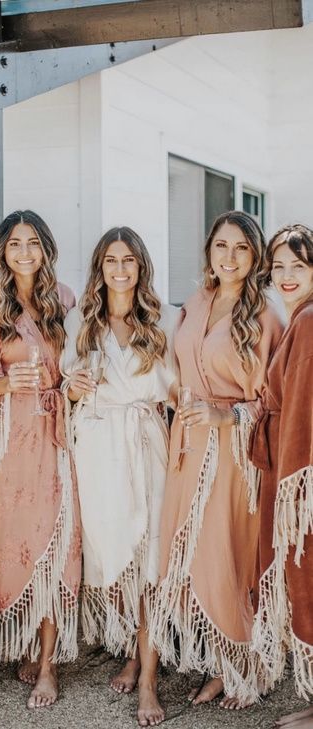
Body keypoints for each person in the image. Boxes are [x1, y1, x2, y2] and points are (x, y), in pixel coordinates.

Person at [150, 211, 283, 709]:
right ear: (209, 250)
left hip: (234, 453)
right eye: (221, 246)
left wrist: (228, 415)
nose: (229, 257)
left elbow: (276, 397)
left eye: (241, 249)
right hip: (186, 447)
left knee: (228, 552)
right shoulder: (196, 303)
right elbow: (176, 368)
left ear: (256, 257)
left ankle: (245, 664)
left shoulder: (268, 315)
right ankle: (218, 661)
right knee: (189, 557)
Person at [61, 226, 179, 727]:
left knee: (149, 555)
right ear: (100, 267)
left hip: (146, 440)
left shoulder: (163, 319)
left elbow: (178, 389)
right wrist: (72, 386)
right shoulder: (80, 321)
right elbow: (67, 383)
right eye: (111, 260)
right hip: (97, 448)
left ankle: (148, 679)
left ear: (140, 266)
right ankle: (135, 652)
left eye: (129, 260)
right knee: (118, 558)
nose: (120, 269)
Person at [0, 210, 81, 709]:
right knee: (14, 546)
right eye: (16, 244)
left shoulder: (66, 300)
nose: (25, 252)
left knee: (58, 545)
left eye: (34, 242)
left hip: (58, 436)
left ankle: (50, 664)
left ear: (46, 248)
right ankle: (24, 639)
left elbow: (84, 357)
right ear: (2, 252)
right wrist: (5, 382)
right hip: (10, 443)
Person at [250, 224, 313, 729]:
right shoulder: (299, 319)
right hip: (293, 474)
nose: (287, 275)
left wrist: (293, 494)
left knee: (308, 581)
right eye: (280, 266)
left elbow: (300, 414)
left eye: (300, 265)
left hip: (301, 479)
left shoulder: (309, 321)